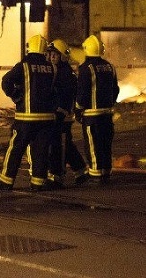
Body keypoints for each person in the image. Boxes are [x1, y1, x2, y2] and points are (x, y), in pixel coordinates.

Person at [0, 34, 58, 191]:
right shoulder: (52, 68)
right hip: (46, 119)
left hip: (26, 118)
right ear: (44, 50)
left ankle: (6, 182)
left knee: (15, 150)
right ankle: (37, 183)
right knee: (41, 152)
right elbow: (54, 92)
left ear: (30, 48)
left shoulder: (23, 66)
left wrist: (16, 96)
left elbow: (6, 81)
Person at [75, 34, 119, 186]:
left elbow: (82, 92)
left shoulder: (86, 69)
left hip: (92, 116)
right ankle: (106, 173)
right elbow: (116, 90)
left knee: (93, 146)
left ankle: (95, 175)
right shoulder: (110, 67)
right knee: (106, 145)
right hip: (107, 114)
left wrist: (78, 109)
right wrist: (109, 104)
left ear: (87, 50)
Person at [46, 39, 90, 187]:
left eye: (55, 55)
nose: (52, 57)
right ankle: (81, 171)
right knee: (67, 146)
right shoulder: (56, 70)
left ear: (62, 56)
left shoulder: (65, 73)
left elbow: (67, 95)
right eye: (50, 54)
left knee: (59, 147)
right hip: (58, 115)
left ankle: (57, 177)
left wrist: (61, 112)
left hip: (62, 117)